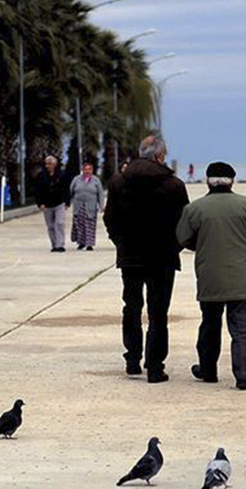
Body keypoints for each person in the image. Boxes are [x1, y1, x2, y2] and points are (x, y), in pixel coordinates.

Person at [176, 162, 246, 390]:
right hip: (242, 277)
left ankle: (208, 370)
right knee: (243, 329)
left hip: (210, 276)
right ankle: (244, 376)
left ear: (208, 181)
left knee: (209, 324)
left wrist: (203, 246)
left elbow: (182, 238)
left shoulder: (195, 209)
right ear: (233, 181)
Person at [104, 136, 189, 383]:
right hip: (163, 257)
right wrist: (175, 247)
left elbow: (110, 219)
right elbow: (185, 222)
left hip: (130, 256)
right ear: (160, 156)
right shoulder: (174, 185)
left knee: (131, 308)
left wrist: (120, 242)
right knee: (158, 312)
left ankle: (132, 359)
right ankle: (154, 366)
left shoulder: (119, 182)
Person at [35, 155, 68, 252]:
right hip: (47, 204)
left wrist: (67, 201)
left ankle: (60, 245)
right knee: (50, 226)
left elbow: (66, 189)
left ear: (55, 164)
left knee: (60, 223)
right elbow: (37, 190)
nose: (47, 166)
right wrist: (40, 203)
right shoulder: (41, 176)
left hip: (59, 203)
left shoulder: (61, 174)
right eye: (46, 164)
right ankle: (54, 245)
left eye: (50, 164)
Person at [69, 162, 104, 251]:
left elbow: (100, 194)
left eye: (89, 169)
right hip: (79, 206)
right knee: (79, 225)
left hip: (91, 207)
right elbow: (71, 191)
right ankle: (81, 243)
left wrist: (101, 205)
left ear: (92, 170)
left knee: (90, 226)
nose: (87, 171)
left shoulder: (96, 180)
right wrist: (67, 202)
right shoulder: (76, 179)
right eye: (86, 169)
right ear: (82, 170)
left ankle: (89, 244)